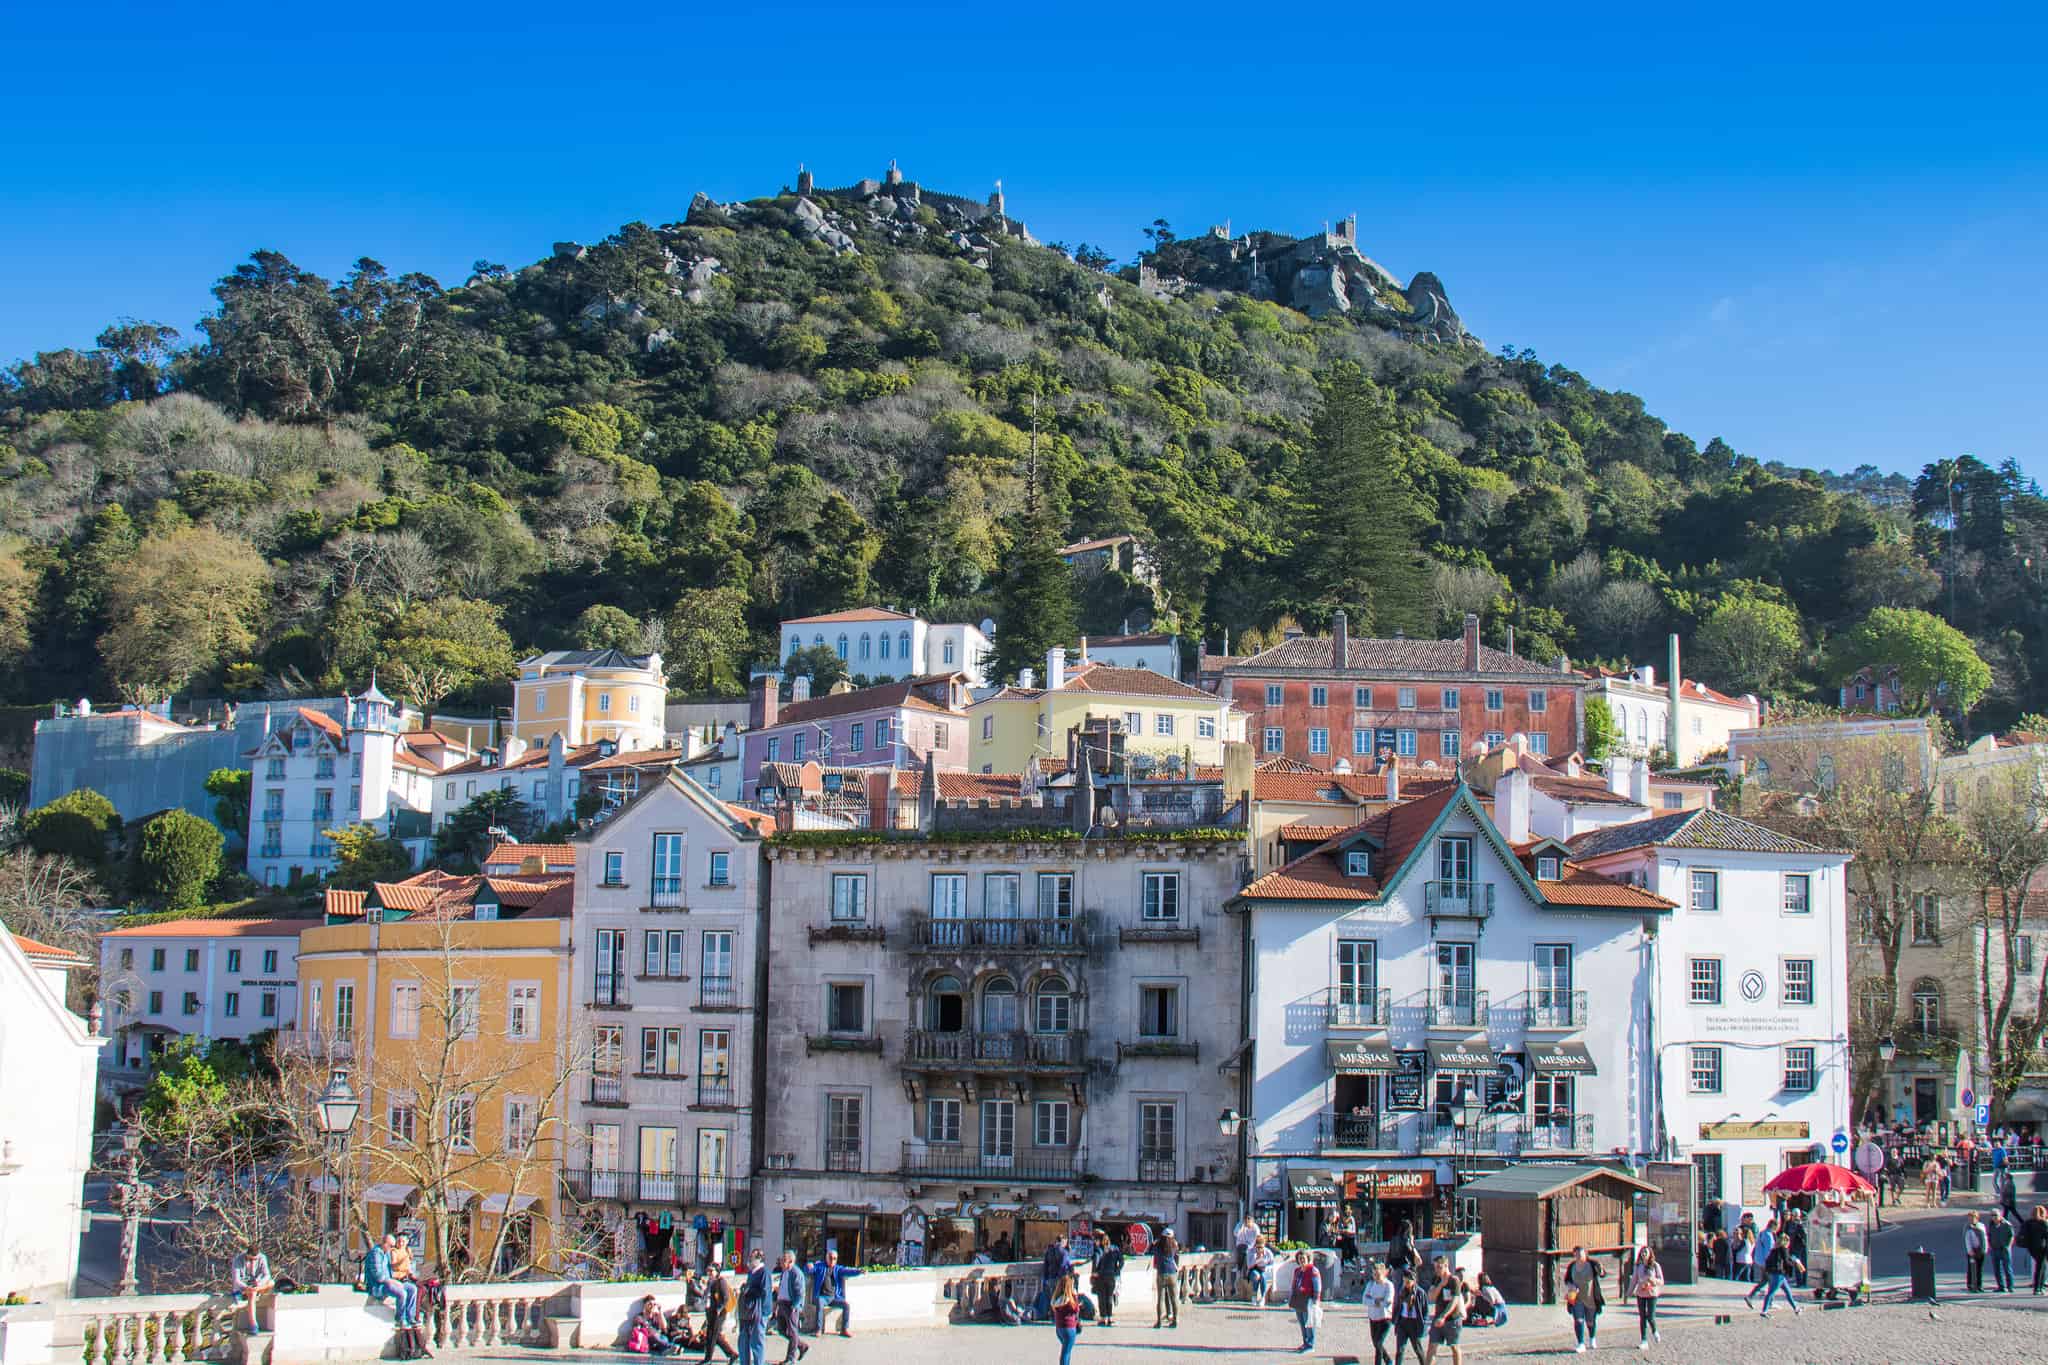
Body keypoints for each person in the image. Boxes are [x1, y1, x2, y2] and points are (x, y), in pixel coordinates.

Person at [364, 1235, 420, 1329]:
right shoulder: (375, 1254)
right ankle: (400, 1319)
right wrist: (393, 1282)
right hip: (377, 1286)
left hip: (388, 1282)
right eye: (391, 1246)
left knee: (412, 1289)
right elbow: (378, 1276)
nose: (392, 1248)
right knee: (401, 1293)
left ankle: (410, 1317)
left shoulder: (386, 1253)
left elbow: (392, 1269)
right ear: (384, 1244)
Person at [807, 1248, 858, 1338]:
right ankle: (818, 1329)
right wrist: (808, 1266)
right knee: (819, 1303)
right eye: (830, 1258)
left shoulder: (838, 1269)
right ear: (826, 1258)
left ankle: (844, 1329)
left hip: (834, 1297)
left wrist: (859, 1271)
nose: (832, 1260)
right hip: (822, 1297)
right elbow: (810, 1270)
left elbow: (848, 1271)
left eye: (834, 1258)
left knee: (846, 1305)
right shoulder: (820, 1266)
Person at [1423, 1258, 1464, 1365]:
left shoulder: (1454, 1280)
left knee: (1454, 1347)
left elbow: (1454, 1301)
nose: (1436, 1270)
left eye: (1439, 1267)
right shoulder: (1436, 1279)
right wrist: (1440, 1285)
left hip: (1452, 1319)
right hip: (1438, 1318)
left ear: (1446, 1266)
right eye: (1435, 1267)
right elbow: (1431, 1297)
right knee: (1432, 1346)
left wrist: (1444, 1316)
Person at [736, 1250, 772, 1365]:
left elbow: (765, 1292)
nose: (749, 1260)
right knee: (743, 1340)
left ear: (759, 1259)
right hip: (748, 1311)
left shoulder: (764, 1272)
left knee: (757, 1342)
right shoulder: (752, 1272)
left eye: (752, 1258)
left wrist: (765, 1313)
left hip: (758, 1311)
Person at [1564, 1246, 1602, 1353]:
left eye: (1580, 1254)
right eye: (1576, 1254)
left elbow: (1602, 1274)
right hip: (1577, 1298)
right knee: (1578, 1320)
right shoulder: (1572, 1266)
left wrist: (1601, 1270)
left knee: (1590, 1321)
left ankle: (1592, 1338)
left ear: (1585, 1254)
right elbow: (1567, 1280)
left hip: (1591, 1298)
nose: (1578, 1256)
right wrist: (1571, 1286)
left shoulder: (1592, 1264)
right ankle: (1580, 1343)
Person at [770, 1251, 807, 1363]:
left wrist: (795, 1306)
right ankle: (801, 1345)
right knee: (781, 1329)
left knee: (792, 1331)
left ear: (791, 1261)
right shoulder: (784, 1272)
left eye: (784, 1260)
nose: (781, 1262)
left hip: (790, 1305)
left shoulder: (796, 1273)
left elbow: (800, 1292)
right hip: (782, 1303)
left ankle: (790, 1358)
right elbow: (782, 1287)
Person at [699, 1263, 738, 1363]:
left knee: (712, 1335)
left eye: (711, 1271)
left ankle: (708, 1359)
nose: (709, 1273)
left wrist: (719, 1309)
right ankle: (732, 1354)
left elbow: (726, 1298)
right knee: (713, 1335)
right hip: (710, 1310)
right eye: (708, 1271)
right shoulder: (710, 1281)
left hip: (719, 1312)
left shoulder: (721, 1281)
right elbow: (707, 1295)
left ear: (717, 1272)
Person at [230, 1244, 273, 1332]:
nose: (253, 1261)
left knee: (272, 1282)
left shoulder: (262, 1258)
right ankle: (253, 1323)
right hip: (243, 1287)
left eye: (255, 1259)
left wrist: (259, 1284)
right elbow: (236, 1280)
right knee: (252, 1294)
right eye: (250, 1259)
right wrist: (247, 1287)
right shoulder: (238, 1260)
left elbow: (267, 1275)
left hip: (257, 1285)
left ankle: (255, 1290)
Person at [1287, 1249, 1322, 1354]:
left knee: (1309, 1323)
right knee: (1302, 1323)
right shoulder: (1297, 1271)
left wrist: (1316, 1301)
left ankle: (1310, 1345)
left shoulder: (1313, 1270)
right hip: (1298, 1299)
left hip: (1309, 1300)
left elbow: (1317, 1286)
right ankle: (1305, 1342)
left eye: (1303, 1258)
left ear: (1308, 1259)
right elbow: (1294, 1284)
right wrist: (1291, 1298)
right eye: (1300, 1258)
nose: (1302, 1260)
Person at [1627, 1245, 1663, 1349]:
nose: (1643, 1254)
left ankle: (1655, 1331)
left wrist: (1653, 1281)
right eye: (1642, 1252)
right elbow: (1634, 1280)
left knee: (1650, 1317)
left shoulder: (1655, 1266)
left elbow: (1661, 1281)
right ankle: (1644, 1340)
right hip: (1641, 1293)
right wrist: (1629, 1292)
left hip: (1652, 1294)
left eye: (1646, 1252)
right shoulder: (1638, 1266)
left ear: (1650, 1254)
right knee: (1642, 1317)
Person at [1391, 1270, 1428, 1365]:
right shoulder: (1402, 1291)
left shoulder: (1420, 1293)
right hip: (1403, 1322)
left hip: (1414, 1323)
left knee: (1417, 1349)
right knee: (1400, 1349)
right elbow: (1398, 1305)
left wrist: (1423, 1324)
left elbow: (1425, 1310)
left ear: (1414, 1281)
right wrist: (1395, 1319)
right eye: (1404, 1281)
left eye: (1408, 1281)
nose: (1406, 1284)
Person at [1361, 1261, 1395, 1365]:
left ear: (1384, 1273)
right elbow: (1364, 1300)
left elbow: (1387, 1302)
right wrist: (1376, 1301)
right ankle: (1388, 1360)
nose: (1376, 1277)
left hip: (1385, 1318)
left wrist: (1373, 1300)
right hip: (1373, 1317)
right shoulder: (1371, 1284)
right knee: (1375, 1343)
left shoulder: (1388, 1285)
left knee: (1379, 1342)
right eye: (1374, 1274)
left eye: (1378, 1274)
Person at [1089, 1229, 1123, 1327]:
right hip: (1111, 1276)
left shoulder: (1099, 1250)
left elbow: (1096, 1262)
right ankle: (1110, 1317)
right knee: (1109, 1297)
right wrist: (1117, 1270)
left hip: (1101, 1277)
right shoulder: (1115, 1249)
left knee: (1102, 1298)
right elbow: (1121, 1261)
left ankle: (1103, 1318)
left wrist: (1094, 1273)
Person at [1049, 1274, 1081, 1365]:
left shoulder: (1056, 1299)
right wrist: (1075, 1296)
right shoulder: (1069, 1300)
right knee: (1066, 1353)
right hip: (1069, 1328)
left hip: (1059, 1328)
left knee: (1066, 1351)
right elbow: (1076, 1309)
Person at [1152, 1230, 1180, 1328]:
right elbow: (1177, 1255)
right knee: (1174, 1298)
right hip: (1172, 1272)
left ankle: (1159, 1322)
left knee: (1160, 1299)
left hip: (1161, 1272)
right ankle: (1175, 1320)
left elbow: (1153, 1250)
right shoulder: (1174, 1245)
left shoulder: (1158, 1246)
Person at [1989, 1210, 2016, 1293]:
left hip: (2004, 1249)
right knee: (1996, 1269)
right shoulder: (1991, 1225)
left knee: (2007, 1268)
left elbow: (2011, 1236)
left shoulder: (2007, 1224)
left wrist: (2008, 1246)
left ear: (2000, 1216)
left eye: (1996, 1215)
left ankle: (2010, 1286)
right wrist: (1991, 1245)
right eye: (1992, 1215)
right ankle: (2001, 1286)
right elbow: (1989, 1235)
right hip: (1995, 1249)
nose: (1994, 1217)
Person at [1246, 1236, 1277, 1309]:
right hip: (1253, 1269)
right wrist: (1256, 1259)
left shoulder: (1268, 1252)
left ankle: (1262, 1298)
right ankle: (1254, 1295)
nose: (1260, 1249)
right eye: (1258, 1247)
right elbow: (1249, 1266)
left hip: (1264, 1270)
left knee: (1263, 1276)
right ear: (1255, 1246)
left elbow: (1272, 1264)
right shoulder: (1251, 1252)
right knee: (1256, 1275)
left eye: (1261, 1247)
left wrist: (1265, 1267)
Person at [2024, 1205, 2048, 1295]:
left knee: (2040, 1266)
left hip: (2032, 1248)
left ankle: (2038, 1287)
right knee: (2041, 1267)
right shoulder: (2043, 1223)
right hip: (2042, 1247)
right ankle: (2038, 1287)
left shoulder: (2028, 1223)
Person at [1964, 1210, 1988, 1293]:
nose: (1971, 1219)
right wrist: (1970, 1251)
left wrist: (1985, 1249)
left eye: (1973, 1218)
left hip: (1981, 1250)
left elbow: (1984, 1238)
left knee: (1979, 1269)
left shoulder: (1981, 1226)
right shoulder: (1968, 1227)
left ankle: (1979, 1285)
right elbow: (1967, 1240)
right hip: (1972, 1250)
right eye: (1970, 1218)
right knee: (1971, 1268)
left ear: (1977, 1218)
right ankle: (1971, 1285)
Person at [1233, 1215, 1260, 1286]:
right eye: (1246, 1223)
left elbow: (1258, 1237)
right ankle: (1239, 1268)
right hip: (1242, 1244)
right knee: (1244, 1251)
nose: (1248, 1225)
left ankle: (1246, 1274)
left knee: (1248, 1256)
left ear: (1252, 1222)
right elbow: (1235, 1233)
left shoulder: (1255, 1227)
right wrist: (1242, 1227)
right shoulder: (1240, 1225)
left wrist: (1254, 1247)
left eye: (1249, 1223)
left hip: (1252, 1246)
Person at [1784, 1211, 1808, 1288]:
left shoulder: (1801, 1225)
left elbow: (1805, 1235)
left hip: (1801, 1247)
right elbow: (1787, 1235)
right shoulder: (1789, 1224)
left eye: (1797, 1216)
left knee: (1803, 1264)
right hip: (1794, 1247)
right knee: (1797, 1264)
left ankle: (1803, 1281)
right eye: (1794, 1215)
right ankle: (1799, 1282)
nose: (1795, 1217)